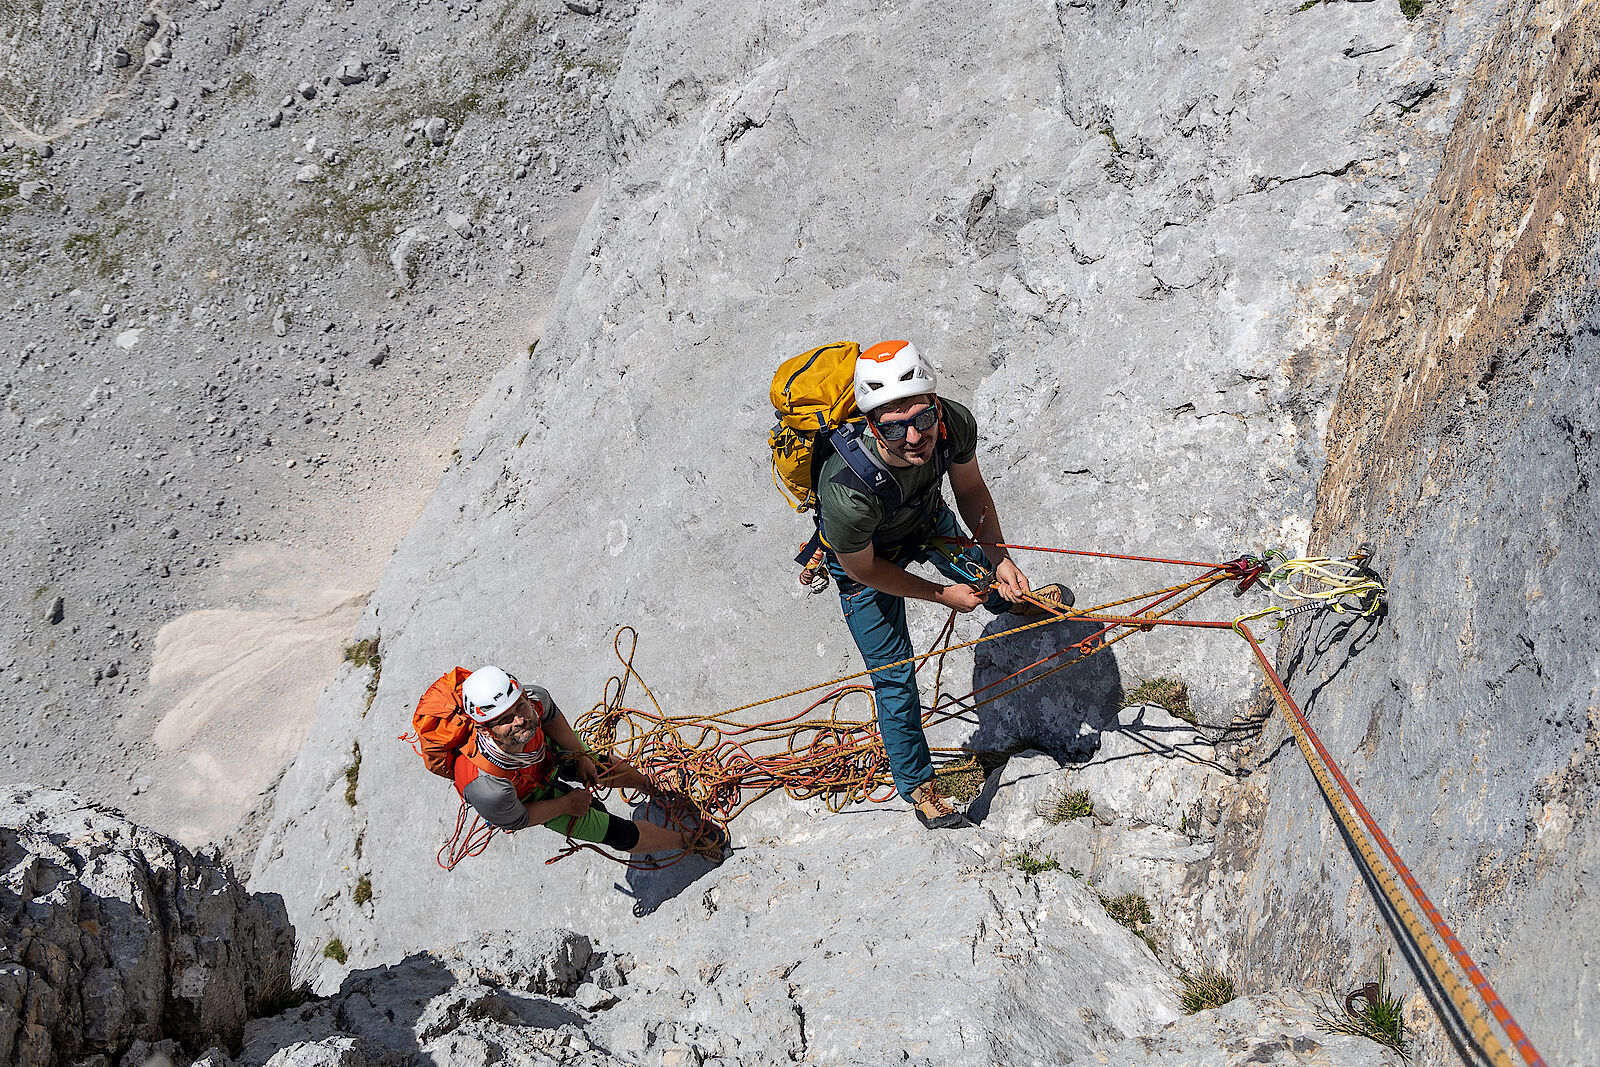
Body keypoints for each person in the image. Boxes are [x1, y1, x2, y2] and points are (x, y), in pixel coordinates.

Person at [815, 340, 1069, 829]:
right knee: (895, 677)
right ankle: (920, 786)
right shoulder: (846, 489)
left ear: (934, 405)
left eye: (922, 418)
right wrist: (939, 594)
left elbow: (970, 488)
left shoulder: (951, 422)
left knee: (987, 574)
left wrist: (1000, 557)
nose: (915, 436)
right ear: (872, 425)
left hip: (924, 519)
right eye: (894, 425)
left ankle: (1016, 600)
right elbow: (863, 571)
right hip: (866, 563)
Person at [419, 665, 723, 856]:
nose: (520, 720)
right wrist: (567, 805)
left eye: (520, 707)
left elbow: (551, 718)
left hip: (543, 754)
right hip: (528, 795)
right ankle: (687, 841)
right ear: (485, 728)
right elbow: (520, 818)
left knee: (600, 765)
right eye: (505, 720)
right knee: (619, 833)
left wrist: (582, 757)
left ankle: (653, 789)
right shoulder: (486, 787)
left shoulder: (534, 699)